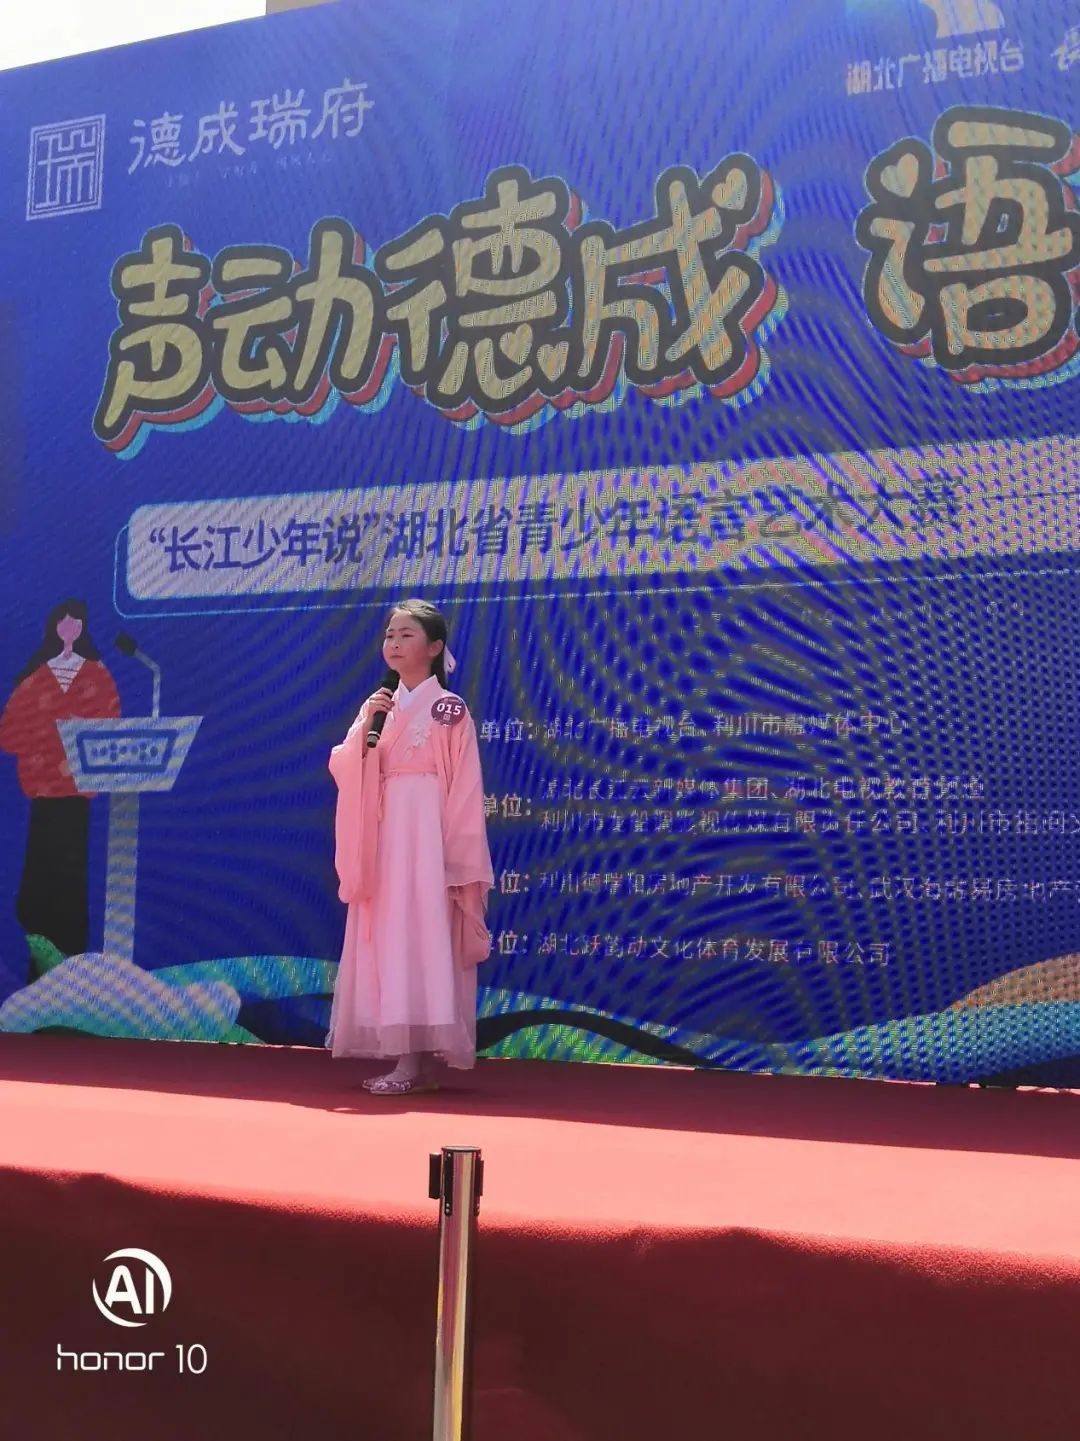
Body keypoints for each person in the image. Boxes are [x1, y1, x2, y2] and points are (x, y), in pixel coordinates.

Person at [325, 599, 494, 1095]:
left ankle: (416, 1061)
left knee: (425, 932)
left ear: (435, 647)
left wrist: (456, 855)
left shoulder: (448, 707)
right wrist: (365, 732)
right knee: (391, 931)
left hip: (429, 833)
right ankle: (407, 1057)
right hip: (385, 831)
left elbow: (465, 784)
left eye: (406, 635)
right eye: (390, 636)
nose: (394, 644)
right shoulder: (377, 704)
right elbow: (345, 763)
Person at [0, 600, 120, 968]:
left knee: (72, 873)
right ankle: (37, 951)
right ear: (54, 626)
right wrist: (47, 743)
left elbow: (110, 725)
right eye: (64, 622)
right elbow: (9, 734)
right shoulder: (36, 676)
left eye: (77, 623)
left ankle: (72, 961)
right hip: (43, 795)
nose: (70, 628)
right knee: (40, 872)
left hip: (77, 796)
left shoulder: (96, 674)